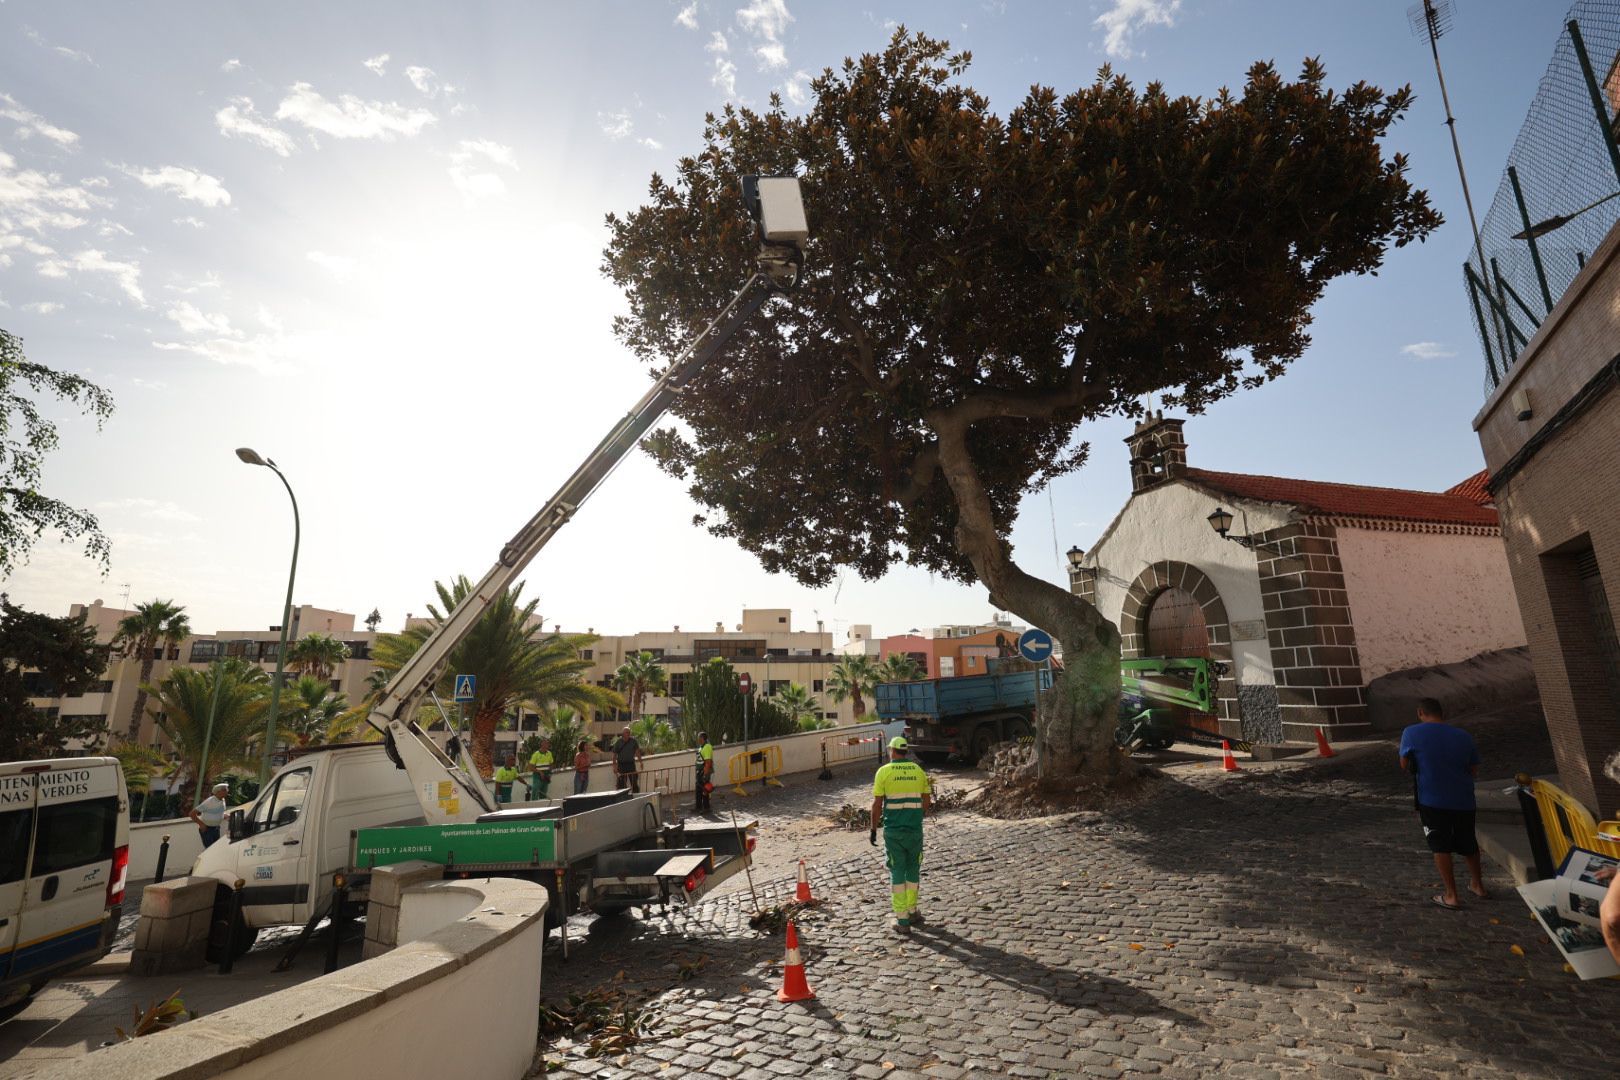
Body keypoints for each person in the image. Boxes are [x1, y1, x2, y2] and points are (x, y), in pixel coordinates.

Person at [1398, 698, 1486, 910]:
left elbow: (1404, 764)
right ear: (1441, 713)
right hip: (1463, 798)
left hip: (1432, 798)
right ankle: (1478, 885)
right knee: (1468, 842)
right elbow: (1473, 769)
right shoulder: (1463, 736)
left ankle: (1451, 895)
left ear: (1420, 712)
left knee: (1440, 844)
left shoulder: (1411, 733)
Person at [870, 736, 932, 932]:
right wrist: (916, 815)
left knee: (897, 871)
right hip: (915, 831)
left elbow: (877, 805)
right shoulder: (918, 771)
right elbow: (927, 800)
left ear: (892, 751)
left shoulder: (884, 772)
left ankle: (902, 919)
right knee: (913, 870)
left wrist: (873, 829)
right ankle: (913, 910)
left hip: (894, 832)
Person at [189, 782, 230, 847]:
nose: (227, 791)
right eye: (224, 790)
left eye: (227, 789)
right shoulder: (209, 802)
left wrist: (225, 816)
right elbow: (192, 814)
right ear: (218, 792)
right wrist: (201, 824)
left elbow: (219, 812)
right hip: (207, 830)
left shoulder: (222, 800)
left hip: (216, 828)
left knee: (215, 849)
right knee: (210, 849)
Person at [614, 728, 644, 793]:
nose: (628, 734)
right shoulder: (618, 742)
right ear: (623, 734)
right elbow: (614, 756)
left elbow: (637, 752)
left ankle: (636, 796)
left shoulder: (633, 741)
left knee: (634, 782)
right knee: (621, 784)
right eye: (627, 732)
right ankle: (622, 798)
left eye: (629, 732)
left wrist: (641, 762)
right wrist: (615, 767)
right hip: (621, 765)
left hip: (631, 764)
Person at [693, 730, 715, 813]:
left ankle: (706, 808)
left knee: (705, 790)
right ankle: (698, 807)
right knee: (698, 790)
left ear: (702, 738)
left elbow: (708, 761)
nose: (697, 739)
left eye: (698, 737)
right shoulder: (700, 747)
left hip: (704, 771)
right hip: (699, 771)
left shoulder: (707, 747)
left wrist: (705, 774)